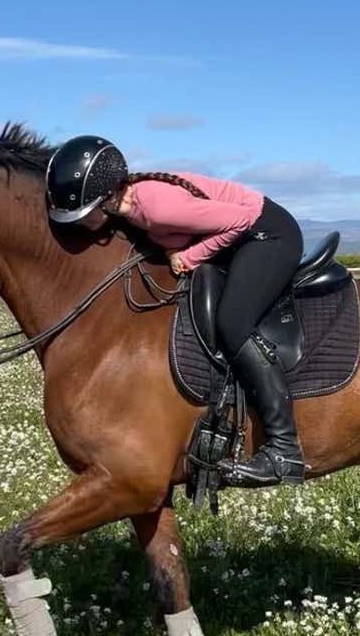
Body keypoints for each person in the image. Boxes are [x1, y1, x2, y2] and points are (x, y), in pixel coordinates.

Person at [45, 135, 305, 486]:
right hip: (243, 236)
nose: (79, 225)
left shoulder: (155, 207)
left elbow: (240, 220)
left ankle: (284, 450)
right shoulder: (129, 208)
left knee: (233, 323)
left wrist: (188, 257)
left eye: (81, 216)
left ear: (104, 200)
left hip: (267, 235)